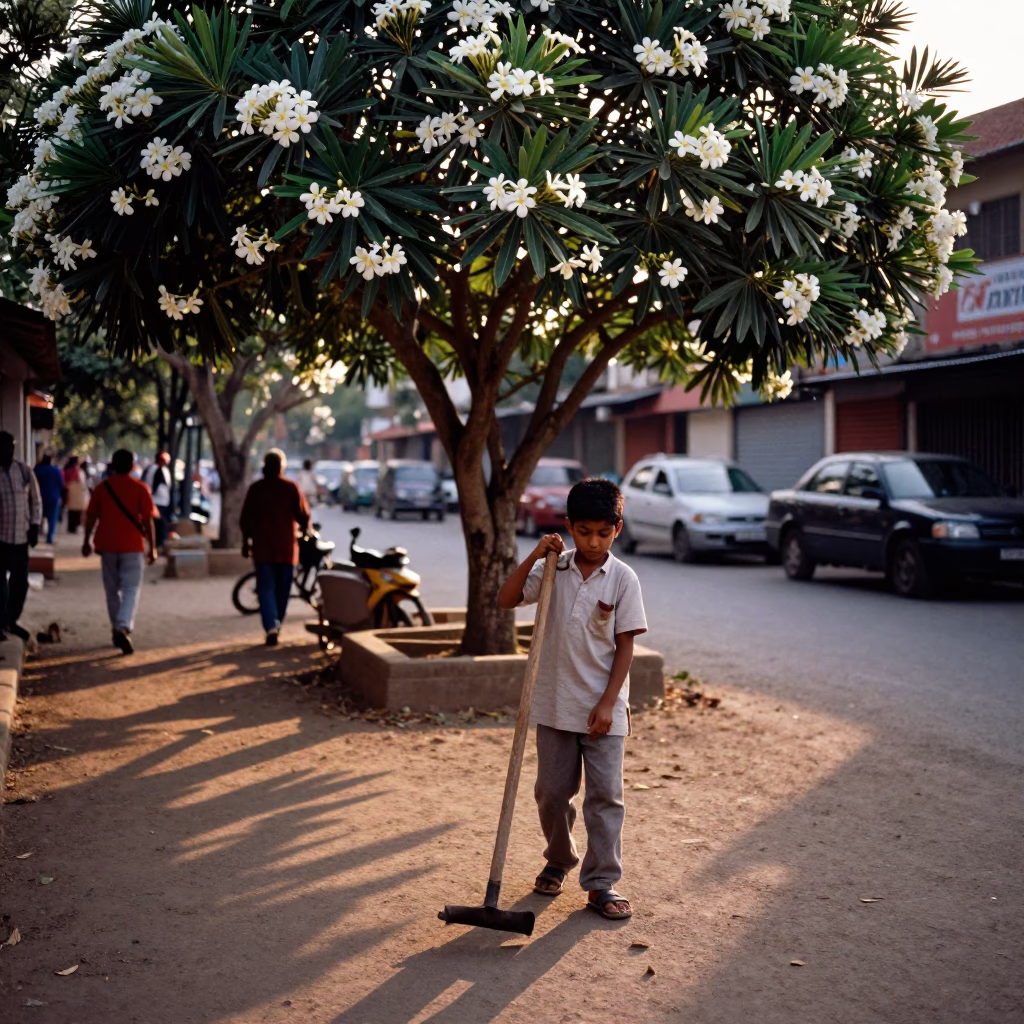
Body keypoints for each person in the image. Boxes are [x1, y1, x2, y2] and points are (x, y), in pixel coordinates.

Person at [496, 478, 647, 922]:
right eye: (584, 532)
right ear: (569, 527)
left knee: (605, 798)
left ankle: (602, 883)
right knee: (551, 793)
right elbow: (505, 599)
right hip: (554, 705)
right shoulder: (552, 568)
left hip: (603, 710)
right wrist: (534, 554)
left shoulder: (623, 578)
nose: (593, 541)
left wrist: (607, 703)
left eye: (603, 532)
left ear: (617, 529)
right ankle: (560, 857)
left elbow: (625, 646)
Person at [81, 449, 157, 655]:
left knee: (111, 590)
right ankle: (123, 626)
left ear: (112, 465)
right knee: (131, 589)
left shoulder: (102, 488)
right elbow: (148, 520)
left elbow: (91, 517)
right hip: (133, 546)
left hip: (107, 546)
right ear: (133, 466)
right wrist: (153, 548)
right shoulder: (141, 489)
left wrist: (86, 541)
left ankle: (117, 628)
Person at [239, 449, 310, 647]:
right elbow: (303, 516)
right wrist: (306, 531)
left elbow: (245, 520)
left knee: (266, 589)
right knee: (282, 591)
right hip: (287, 549)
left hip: (262, 549)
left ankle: (271, 625)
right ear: (281, 467)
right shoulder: (291, 487)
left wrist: (246, 542)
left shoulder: (256, 489)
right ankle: (276, 625)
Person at [0, 432, 42, 643]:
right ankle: (1, 623)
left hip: (20, 538)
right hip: (1, 539)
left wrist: (35, 526)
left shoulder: (24, 471)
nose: (8, 451)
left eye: (10, 447)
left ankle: (11, 620)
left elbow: (36, 500)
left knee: (20, 583)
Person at [142, 452, 173, 551]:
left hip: (163, 502)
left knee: (160, 525)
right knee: (157, 525)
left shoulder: (164, 470)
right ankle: (156, 545)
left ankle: (159, 545)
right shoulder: (155, 470)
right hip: (155, 502)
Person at [34, 452, 64, 545]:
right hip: (53, 498)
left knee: (38, 518)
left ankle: (35, 537)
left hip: (39, 497)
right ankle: (49, 539)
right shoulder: (55, 470)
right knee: (52, 519)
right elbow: (61, 484)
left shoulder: (37, 470)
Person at [63, 455, 89, 533]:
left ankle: (71, 527)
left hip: (72, 493)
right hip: (76, 493)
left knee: (72, 511)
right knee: (76, 511)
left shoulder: (67, 470)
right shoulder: (76, 470)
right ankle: (73, 527)